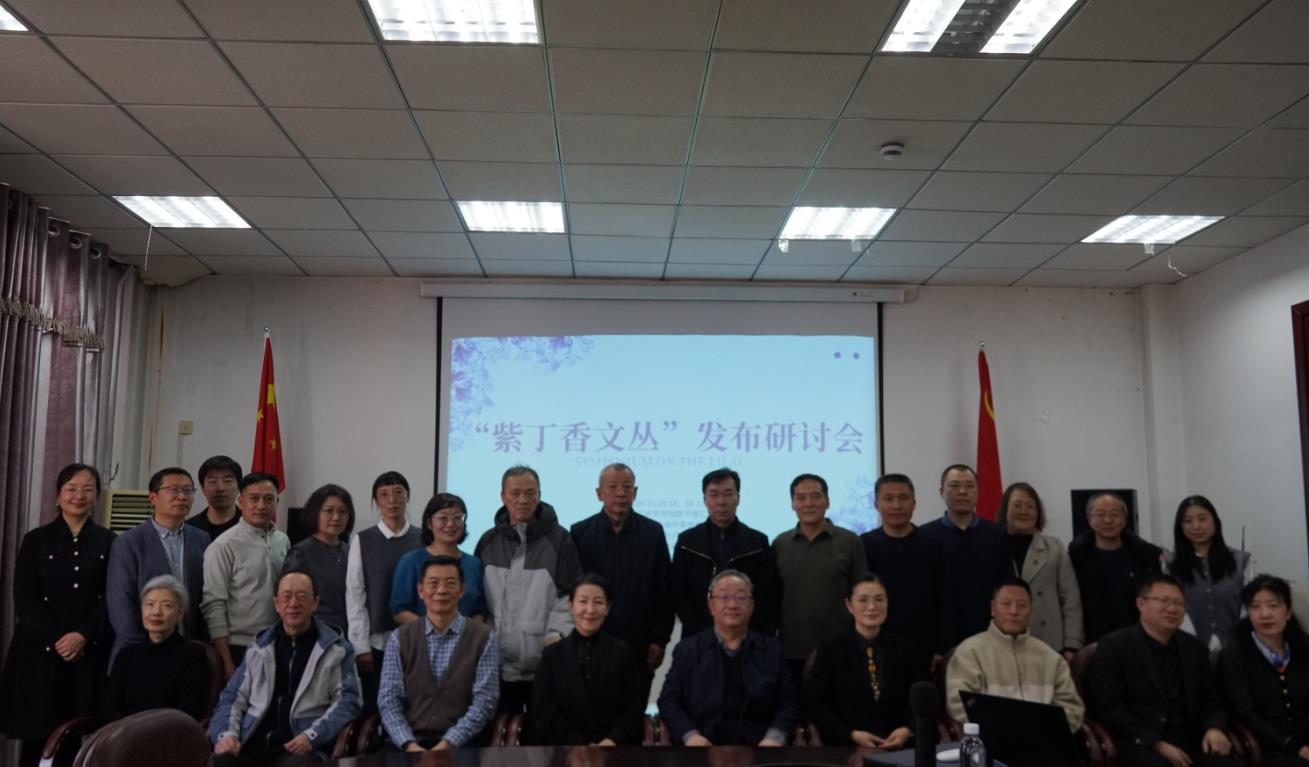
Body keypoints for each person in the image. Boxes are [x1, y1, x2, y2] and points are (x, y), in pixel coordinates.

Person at [0, 464, 116, 767]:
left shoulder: (109, 540)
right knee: (38, 731)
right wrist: (59, 640)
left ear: (96, 496)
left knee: (80, 730)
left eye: (88, 489)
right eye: (71, 488)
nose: (79, 495)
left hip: (89, 650)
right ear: (57, 495)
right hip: (40, 651)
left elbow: (112, 597)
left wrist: (84, 636)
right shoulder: (36, 540)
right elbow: (25, 599)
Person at [210, 570, 362, 766]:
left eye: (302, 596)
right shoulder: (259, 646)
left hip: (300, 744)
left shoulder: (336, 650)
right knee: (220, 761)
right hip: (251, 741)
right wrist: (227, 735)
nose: (293, 604)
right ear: (276, 604)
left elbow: (349, 702)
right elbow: (232, 697)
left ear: (315, 603)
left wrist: (312, 736)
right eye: (286, 596)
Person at [1090, 574, 1239, 767]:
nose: (1172, 608)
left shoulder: (1195, 648)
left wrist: (1214, 727)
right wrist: (1155, 743)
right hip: (1139, 744)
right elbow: (1110, 709)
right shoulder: (1114, 647)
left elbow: (1212, 700)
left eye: (1179, 603)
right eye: (1164, 601)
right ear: (1140, 603)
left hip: (1191, 743)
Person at [474, 465, 582, 714]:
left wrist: (555, 636)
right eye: (515, 493)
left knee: (541, 732)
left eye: (530, 493)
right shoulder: (488, 541)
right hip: (494, 665)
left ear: (539, 495)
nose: (522, 500)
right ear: (503, 496)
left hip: (541, 664)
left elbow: (571, 596)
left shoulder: (560, 540)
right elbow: (478, 599)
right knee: (497, 732)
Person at [659, 569, 800, 746]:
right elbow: (669, 701)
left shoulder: (772, 650)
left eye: (741, 597)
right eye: (724, 597)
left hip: (761, 746)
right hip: (701, 746)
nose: (732, 604)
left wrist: (774, 737)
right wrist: (690, 736)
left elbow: (789, 702)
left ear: (751, 606)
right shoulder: (688, 650)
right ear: (711, 606)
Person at [570, 463, 673, 704]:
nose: (620, 493)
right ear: (599, 493)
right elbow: (572, 591)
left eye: (627, 487)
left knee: (633, 711)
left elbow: (664, 590)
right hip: (591, 640)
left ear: (635, 493)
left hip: (640, 643)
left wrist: (660, 639)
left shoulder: (653, 532)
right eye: (612, 487)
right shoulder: (580, 533)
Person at [378, 555, 499, 751]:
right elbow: (388, 700)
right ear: (421, 591)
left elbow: (485, 702)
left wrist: (447, 744)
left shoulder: (483, 637)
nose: (441, 590)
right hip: (408, 743)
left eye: (450, 583)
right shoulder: (400, 638)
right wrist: (409, 744)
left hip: (464, 745)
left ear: (462, 590)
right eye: (433, 583)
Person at [945, 577, 1084, 731]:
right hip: (990, 738)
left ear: (1031, 611)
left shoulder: (1051, 658)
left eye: (1022, 605)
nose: (1014, 611)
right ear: (993, 608)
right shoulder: (969, 653)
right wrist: (1006, 727)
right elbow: (960, 704)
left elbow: (1072, 709)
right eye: (1006, 604)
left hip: (1045, 740)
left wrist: (1041, 730)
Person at [804, 574, 925, 748]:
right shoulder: (831, 648)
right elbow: (814, 704)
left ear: (887, 603)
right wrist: (851, 734)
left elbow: (922, 701)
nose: (872, 607)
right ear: (849, 605)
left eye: (879, 599)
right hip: (846, 747)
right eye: (863, 600)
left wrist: (907, 730)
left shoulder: (904, 648)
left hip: (900, 745)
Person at [107, 466, 211, 667]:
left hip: (188, 652)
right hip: (139, 653)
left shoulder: (201, 538)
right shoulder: (128, 542)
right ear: (153, 498)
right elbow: (121, 605)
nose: (182, 496)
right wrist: (146, 650)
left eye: (188, 490)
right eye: (173, 490)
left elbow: (203, 598)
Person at [772, 472, 867, 684]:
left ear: (827, 501)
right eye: (801, 498)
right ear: (793, 504)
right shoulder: (780, 544)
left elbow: (861, 594)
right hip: (791, 649)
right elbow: (774, 597)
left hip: (840, 648)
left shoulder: (850, 542)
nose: (808, 503)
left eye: (815, 496)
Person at [530, 573, 644, 745]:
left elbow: (632, 706)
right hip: (565, 750)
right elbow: (545, 708)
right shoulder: (551, 656)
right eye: (583, 601)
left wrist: (612, 739)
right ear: (571, 606)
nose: (590, 610)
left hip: (614, 749)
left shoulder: (623, 653)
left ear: (607, 608)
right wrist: (578, 743)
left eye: (598, 602)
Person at [670, 467, 779, 640]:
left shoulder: (758, 543)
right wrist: (704, 634)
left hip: (749, 639)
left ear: (738, 498)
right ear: (705, 500)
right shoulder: (687, 542)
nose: (721, 501)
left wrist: (743, 633)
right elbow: (679, 593)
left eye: (728, 494)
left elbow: (766, 595)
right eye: (714, 495)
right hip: (698, 639)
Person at [203, 472, 292, 679]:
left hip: (278, 642)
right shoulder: (223, 545)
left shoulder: (283, 541)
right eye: (254, 498)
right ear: (240, 502)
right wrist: (225, 661)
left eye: (269, 499)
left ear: (276, 502)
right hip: (239, 647)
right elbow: (214, 605)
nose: (261, 505)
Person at [345, 470, 421, 709]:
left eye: (398, 493)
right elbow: (355, 593)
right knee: (378, 706)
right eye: (384, 494)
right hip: (377, 641)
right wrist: (360, 645)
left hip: (417, 639)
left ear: (407, 496)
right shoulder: (363, 539)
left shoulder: (423, 538)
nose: (392, 500)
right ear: (376, 500)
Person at [861, 473, 953, 669]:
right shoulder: (864, 545)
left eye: (903, 498)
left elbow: (946, 599)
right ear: (877, 505)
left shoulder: (933, 545)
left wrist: (941, 648)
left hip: (924, 648)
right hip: (876, 646)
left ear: (914, 504)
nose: (896, 506)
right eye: (888, 499)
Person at [1218, 574, 1309, 766]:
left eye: (1273, 605)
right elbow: (1246, 714)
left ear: (1288, 612)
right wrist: (1296, 747)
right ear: (1248, 613)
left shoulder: (1303, 648)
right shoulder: (1235, 654)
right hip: (1268, 747)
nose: (1264, 614)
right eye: (1255, 607)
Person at [919, 464, 1010, 645]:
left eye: (969, 486)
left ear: (978, 491)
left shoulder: (997, 534)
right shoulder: (924, 536)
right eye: (954, 486)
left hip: (990, 636)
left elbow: (1005, 586)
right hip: (941, 639)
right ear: (941, 492)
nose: (962, 491)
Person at [105, 575, 211, 722]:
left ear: (180, 613)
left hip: (170, 733)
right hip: (126, 733)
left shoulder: (193, 654)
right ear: (141, 609)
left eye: (167, 605)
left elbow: (187, 713)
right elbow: (111, 710)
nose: (156, 612)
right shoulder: (126, 655)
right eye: (150, 604)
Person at [996, 482, 1083, 658]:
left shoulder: (1054, 548)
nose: (1024, 511)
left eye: (1030, 506)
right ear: (1005, 509)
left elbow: (1071, 598)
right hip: (1000, 642)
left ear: (1038, 513)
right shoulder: (991, 546)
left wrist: (1072, 644)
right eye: (1017, 505)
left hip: (1048, 643)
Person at [1069, 492, 1163, 642]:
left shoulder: (1146, 557)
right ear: (1089, 519)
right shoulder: (1075, 559)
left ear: (1124, 519)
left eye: (1115, 514)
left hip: (1138, 639)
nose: (1108, 520)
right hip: (1092, 641)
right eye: (1100, 515)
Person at [1168, 495, 1253, 652]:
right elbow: (1172, 608)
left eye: (1202, 519)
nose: (1196, 526)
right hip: (1188, 648)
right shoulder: (1170, 566)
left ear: (1215, 521)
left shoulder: (1241, 561)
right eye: (1187, 521)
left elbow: (1249, 607)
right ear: (1180, 527)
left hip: (1236, 648)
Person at [390, 493, 484, 622]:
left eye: (457, 517)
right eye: (443, 518)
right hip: (421, 634)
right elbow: (399, 611)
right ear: (429, 523)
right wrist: (433, 631)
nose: (450, 524)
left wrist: (467, 631)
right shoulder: (410, 561)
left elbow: (480, 610)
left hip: (466, 634)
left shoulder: (474, 564)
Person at [282, 485, 355, 634]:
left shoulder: (351, 551)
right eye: (329, 511)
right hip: (316, 635)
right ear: (315, 514)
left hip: (350, 634)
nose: (336, 517)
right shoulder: (300, 553)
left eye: (343, 511)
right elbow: (291, 601)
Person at [187, 455, 243, 542]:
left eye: (227, 481)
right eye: (213, 481)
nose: (220, 488)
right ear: (202, 488)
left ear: (239, 486)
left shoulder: (251, 524)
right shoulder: (189, 529)